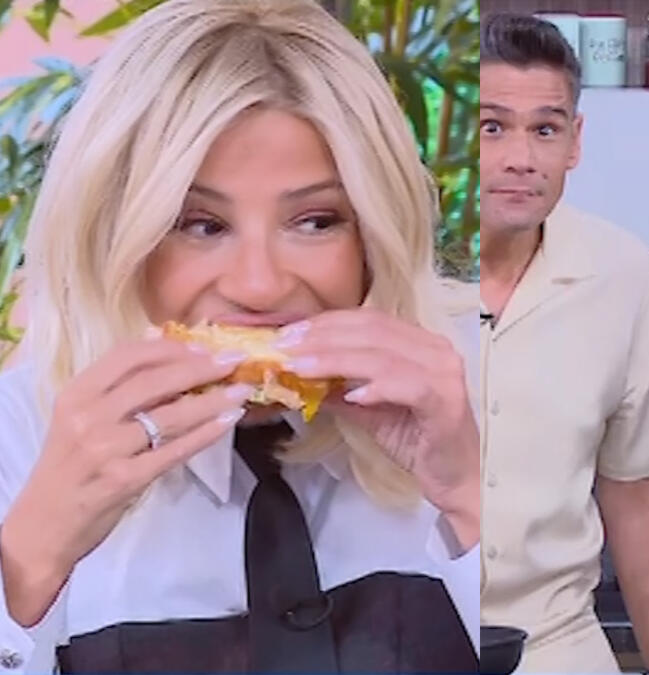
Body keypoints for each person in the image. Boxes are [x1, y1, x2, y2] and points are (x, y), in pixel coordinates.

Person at [0, 0, 480, 672]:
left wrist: (470, 496)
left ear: (374, 236)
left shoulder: (472, 386)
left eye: (315, 221)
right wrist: (29, 562)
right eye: (200, 224)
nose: (260, 286)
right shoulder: (18, 436)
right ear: (111, 235)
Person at [479, 13, 649, 674]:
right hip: (387, 646)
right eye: (491, 128)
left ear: (574, 142)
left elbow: (640, 492)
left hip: (556, 648)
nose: (521, 158)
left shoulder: (619, 271)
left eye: (544, 130)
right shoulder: (372, 263)